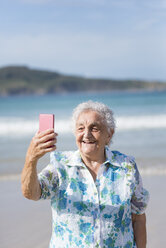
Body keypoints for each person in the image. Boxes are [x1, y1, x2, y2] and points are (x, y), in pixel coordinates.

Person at [21, 100, 149, 248]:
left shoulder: (127, 167)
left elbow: (138, 217)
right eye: (81, 128)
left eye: (94, 128)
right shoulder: (61, 165)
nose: (86, 134)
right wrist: (31, 158)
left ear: (109, 134)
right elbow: (31, 193)